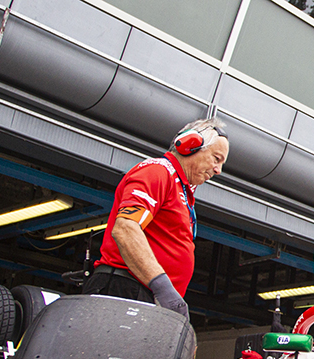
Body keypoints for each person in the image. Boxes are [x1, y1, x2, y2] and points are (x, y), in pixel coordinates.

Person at [83, 118, 230, 319]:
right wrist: (163, 288)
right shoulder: (158, 172)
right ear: (190, 145)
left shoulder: (180, 188)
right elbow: (125, 228)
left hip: (146, 296)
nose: (218, 170)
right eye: (216, 158)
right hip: (126, 290)